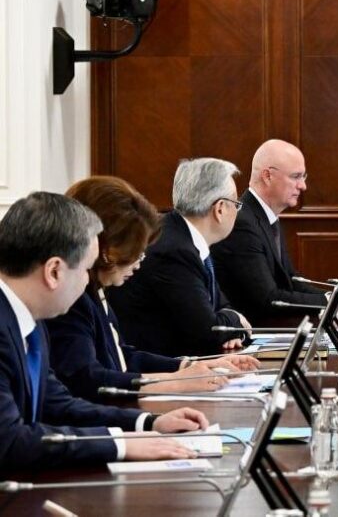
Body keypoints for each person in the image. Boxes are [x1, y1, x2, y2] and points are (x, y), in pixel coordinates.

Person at [0, 192, 209, 472]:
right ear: (54, 271)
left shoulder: (31, 320)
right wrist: (119, 445)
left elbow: (57, 405)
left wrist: (148, 423)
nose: (88, 280)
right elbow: (10, 442)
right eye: (86, 269)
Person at [47, 176, 260, 401]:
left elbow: (122, 356)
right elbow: (87, 379)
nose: (139, 263)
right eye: (134, 251)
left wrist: (192, 366)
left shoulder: (96, 289)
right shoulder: (71, 299)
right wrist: (175, 383)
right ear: (105, 246)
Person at [107, 158, 251, 357]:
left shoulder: (184, 237)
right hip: (156, 365)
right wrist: (235, 322)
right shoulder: (174, 250)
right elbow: (209, 332)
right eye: (236, 204)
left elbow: (220, 306)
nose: (237, 210)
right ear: (219, 209)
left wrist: (229, 326)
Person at [212, 139, 338, 324]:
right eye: (295, 176)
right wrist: (332, 300)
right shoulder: (242, 224)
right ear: (267, 176)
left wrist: (334, 295)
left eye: (303, 177)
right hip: (252, 333)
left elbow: (291, 281)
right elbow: (269, 299)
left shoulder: (266, 216)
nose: (303, 186)